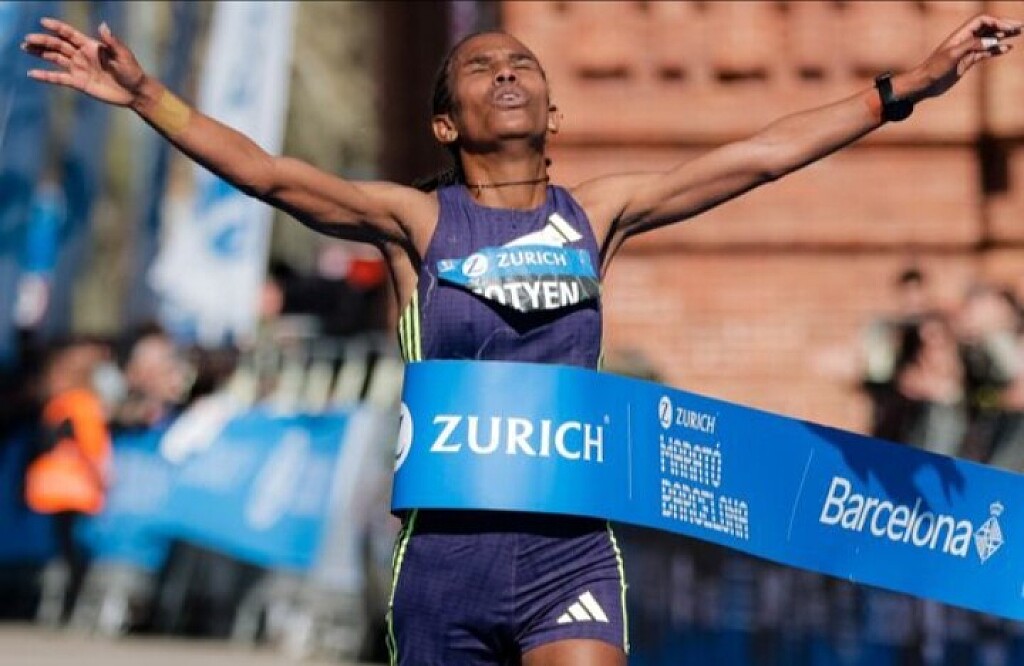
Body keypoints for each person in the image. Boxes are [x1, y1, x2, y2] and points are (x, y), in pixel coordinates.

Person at [20, 11, 1022, 665]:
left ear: (554, 110)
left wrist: (907, 86)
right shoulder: (415, 226)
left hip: (567, 552)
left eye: (523, 65)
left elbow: (759, 155)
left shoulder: (599, 214)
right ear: (445, 125)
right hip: (442, 563)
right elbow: (272, 176)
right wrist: (147, 97)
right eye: (480, 67)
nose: (505, 71)